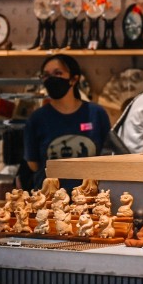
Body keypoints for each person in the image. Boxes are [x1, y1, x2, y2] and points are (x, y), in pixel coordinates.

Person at [23, 54, 111, 191]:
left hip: (90, 197)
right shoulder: (37, 119)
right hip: (50, 198)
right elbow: (33, 164)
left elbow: (108, 155)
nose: (51, 79)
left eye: (58, 73)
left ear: (74, 79)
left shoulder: (96, 113)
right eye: (46, 75)